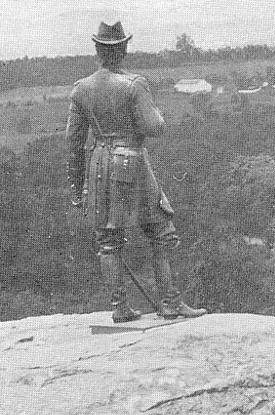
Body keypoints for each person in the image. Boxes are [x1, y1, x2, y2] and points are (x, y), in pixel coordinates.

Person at [66, 21, 206, 323]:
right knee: (159, 231)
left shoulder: (81, 89)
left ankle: (120, 308)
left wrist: (78, 190)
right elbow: (155, 127)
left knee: (108, 241)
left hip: (100, 165)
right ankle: (170, 302)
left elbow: (73, 145)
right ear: (123, 49)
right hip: (133, 163)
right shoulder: (134, 84)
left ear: (98, 50)